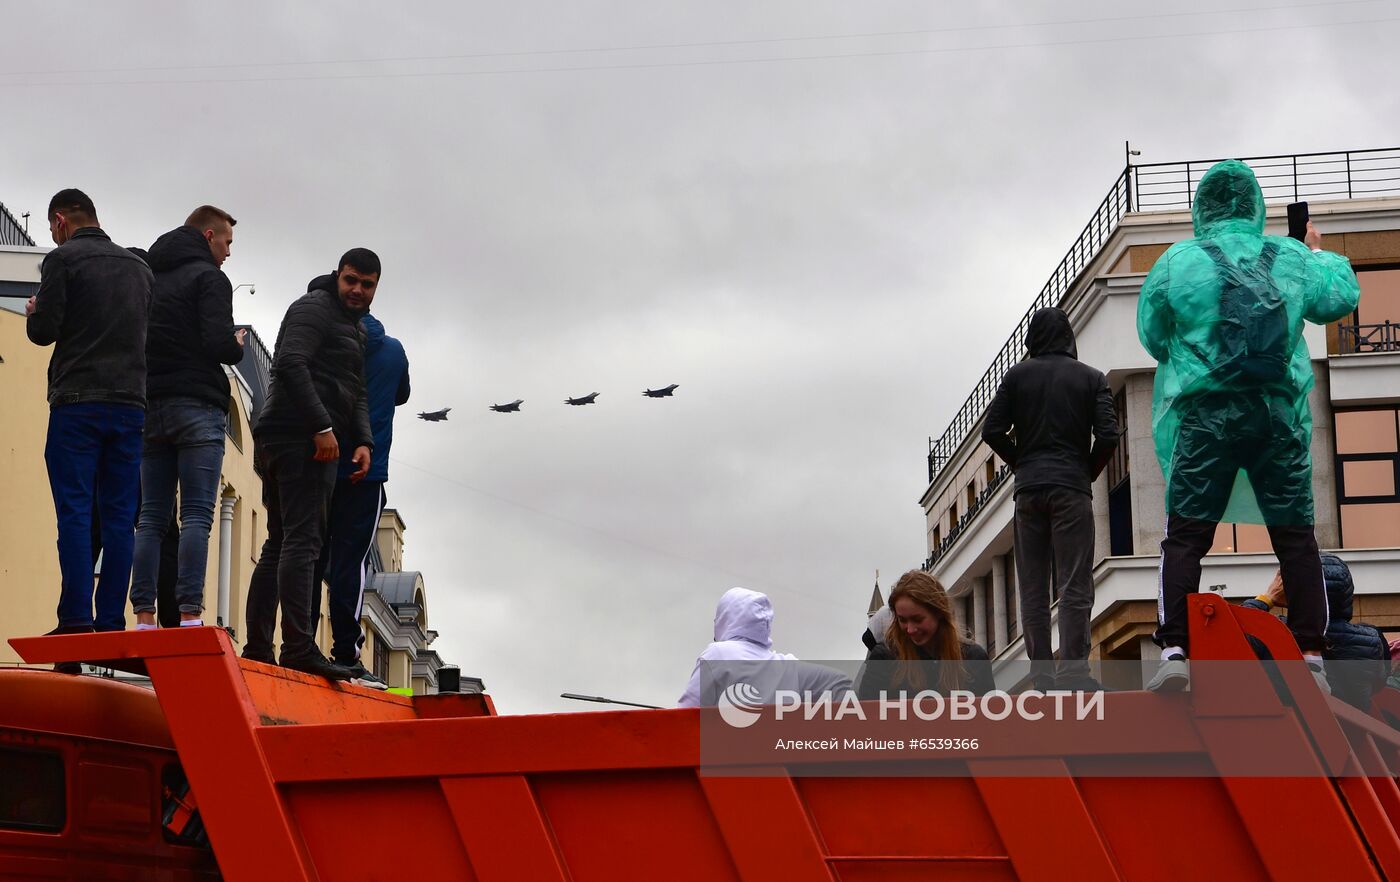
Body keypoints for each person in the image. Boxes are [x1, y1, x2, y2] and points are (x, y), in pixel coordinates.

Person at [1138, 160, 1360, 692]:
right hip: (1274, 415)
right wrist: (1314, 249)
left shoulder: (1176, 261)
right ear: (1256, 206)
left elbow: (1152, 333)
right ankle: (1310, 653)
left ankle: (1175, 651)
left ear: (1201, 207)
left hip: (1206, 416)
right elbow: (1340, 298)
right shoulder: (1290, 257)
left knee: (1186, 536)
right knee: (1295, 537)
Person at [242, 249, 379, 679]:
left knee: (282, 541)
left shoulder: (353, 328)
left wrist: (362, 441)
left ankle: (261, 649)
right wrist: (321, 426)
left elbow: (355, 390)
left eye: (367, 284)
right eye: (351, 280)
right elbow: (290, 364)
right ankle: (297, 647)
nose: (357, 290)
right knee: (301, 541)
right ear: (338, 275)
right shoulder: (314, 309)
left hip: (305, 437)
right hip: (295, 435)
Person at [26, 188, 152, 638]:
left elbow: (44, 332)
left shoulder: (63, 261)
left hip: (77, 404)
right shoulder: (139, 268)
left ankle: (76, 621)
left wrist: (35, 311)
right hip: (130, 406)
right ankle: (111, 623)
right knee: (121, 518)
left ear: (60, 221)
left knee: (75, 512)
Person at [982, 307, 1118, 691]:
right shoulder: (1091, 378)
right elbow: (1108, 435)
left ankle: (1041, 672)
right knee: (1074, 583)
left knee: (1033, 587)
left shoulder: (1016, 377)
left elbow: (992, 430)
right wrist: (1085, 472)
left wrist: (1021, 462)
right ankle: (1074, 671)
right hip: (1071, 487)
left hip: (1029, 490)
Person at [130, 206, 246, 630]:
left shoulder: (149, 275)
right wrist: (237, 345)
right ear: (209, 234)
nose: (229, 252)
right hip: (197, 404)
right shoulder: (210, 278)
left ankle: (143, 616)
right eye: (227, 242)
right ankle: (189, 615)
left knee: (151, 518)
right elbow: (217, 344)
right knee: (196, 514)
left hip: (151, 403)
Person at [311, 311, 410, 679]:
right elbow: (402, 394)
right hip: (369, 474)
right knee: (351, 562)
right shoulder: (393, 352)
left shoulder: (324, 343)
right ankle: (347, 652)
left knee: (312, 555)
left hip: (321, 462)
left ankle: (302, 639)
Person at [1241, 554, 1389, 710]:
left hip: (1295, 731)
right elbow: (1378, 685)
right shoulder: (1372, 641)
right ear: (1346, 592)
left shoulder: (1279, 632)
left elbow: (1234, 634)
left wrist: (1267, 597)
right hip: (1351, 732)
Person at [677, 587, 851, 708]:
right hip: (776, 757)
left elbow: (686, 711)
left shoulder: (718, 654)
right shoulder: (788, 666)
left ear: (724, 619)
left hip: (730, 756)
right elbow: (841, 682)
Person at [856, 570, 994, 700]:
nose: (910, 629)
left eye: (917, 619)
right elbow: (866, 719)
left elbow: (989, 720)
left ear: (939, 612)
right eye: (902, 620)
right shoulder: (884, 659)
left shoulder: (974, 658)